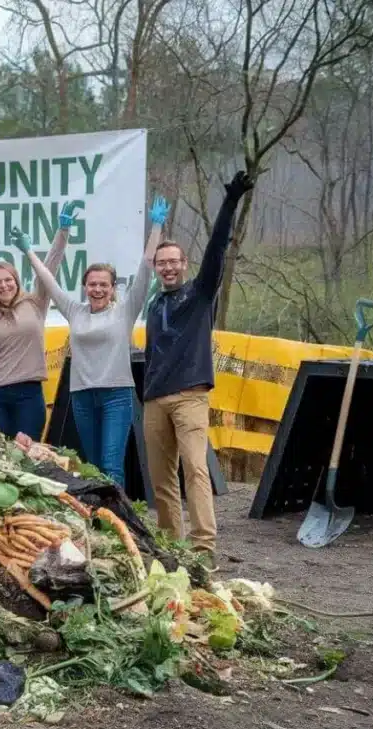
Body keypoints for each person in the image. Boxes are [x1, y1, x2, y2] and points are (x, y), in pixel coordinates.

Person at [15, 196, 171, 487]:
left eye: (103, 285)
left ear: (113, 289)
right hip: (83, 396)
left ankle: (121, 523)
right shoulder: (75, 311)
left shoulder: (125, 310)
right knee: (93, 467)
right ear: (85, 287)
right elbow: (47, 279)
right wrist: (28, 251)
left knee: (112, 466)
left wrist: (156, 227)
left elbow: (147, 266)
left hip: (116, 396)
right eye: (92, 284)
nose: (97, 289)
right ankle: (100, 527)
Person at [142, 171, 253, 567]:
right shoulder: (155, 305)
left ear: (185, 265)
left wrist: (229, 203)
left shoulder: (200, 293)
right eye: (162, 263)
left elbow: (217, 251)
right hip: (154, 400)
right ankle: (173, 546)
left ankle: (203, 548)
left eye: (174, 262)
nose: (168, 268)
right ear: (156, 268)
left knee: (195, 470)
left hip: (190, 395)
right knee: (161, 481)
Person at [0, 201, 76, 440]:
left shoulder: (35, 302)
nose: (4, 285)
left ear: (17, 281)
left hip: (29, 394)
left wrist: (62, 232)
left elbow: (50, 267)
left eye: (8, 279)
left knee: (27, 456)